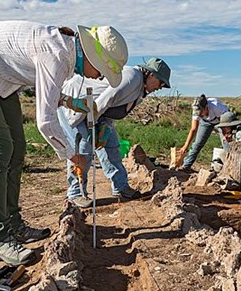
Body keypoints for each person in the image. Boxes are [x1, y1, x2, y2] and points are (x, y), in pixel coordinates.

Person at [0, 21, 128, 266]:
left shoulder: (63, 53)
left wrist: (67, 101)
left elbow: (43, 85)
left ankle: (13, 224)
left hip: (1, 81)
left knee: (16, 148)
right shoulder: (57, 54)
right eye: (102, 72)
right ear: (93, 58)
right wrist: (74, 155)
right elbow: (45, 121)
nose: (99, 77)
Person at [58, 57, 171, 208]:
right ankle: (75, 193)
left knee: (111, 146)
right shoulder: (131, 77)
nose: (160, 87)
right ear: (151, 74)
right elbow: (103, 101)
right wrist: (91, 128)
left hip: (98, 113)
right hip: (76, 106)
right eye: (160, 83)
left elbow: (112, 108)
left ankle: (120, 187)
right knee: (83, 150)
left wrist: (104, 127)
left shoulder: (140, 89)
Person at [178, 94, 229, 172]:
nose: (199, 115)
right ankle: (186, 166)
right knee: (197, 143)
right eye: (197, 114)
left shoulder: (217, 107)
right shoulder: (196, 110)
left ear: (206, 107)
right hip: (206, 122)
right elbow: (193, 129)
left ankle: (229, 168)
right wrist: (185, 146)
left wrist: (225, 135)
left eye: (201, 113)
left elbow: (226, 123)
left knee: (226, 143)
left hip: (222, 121)